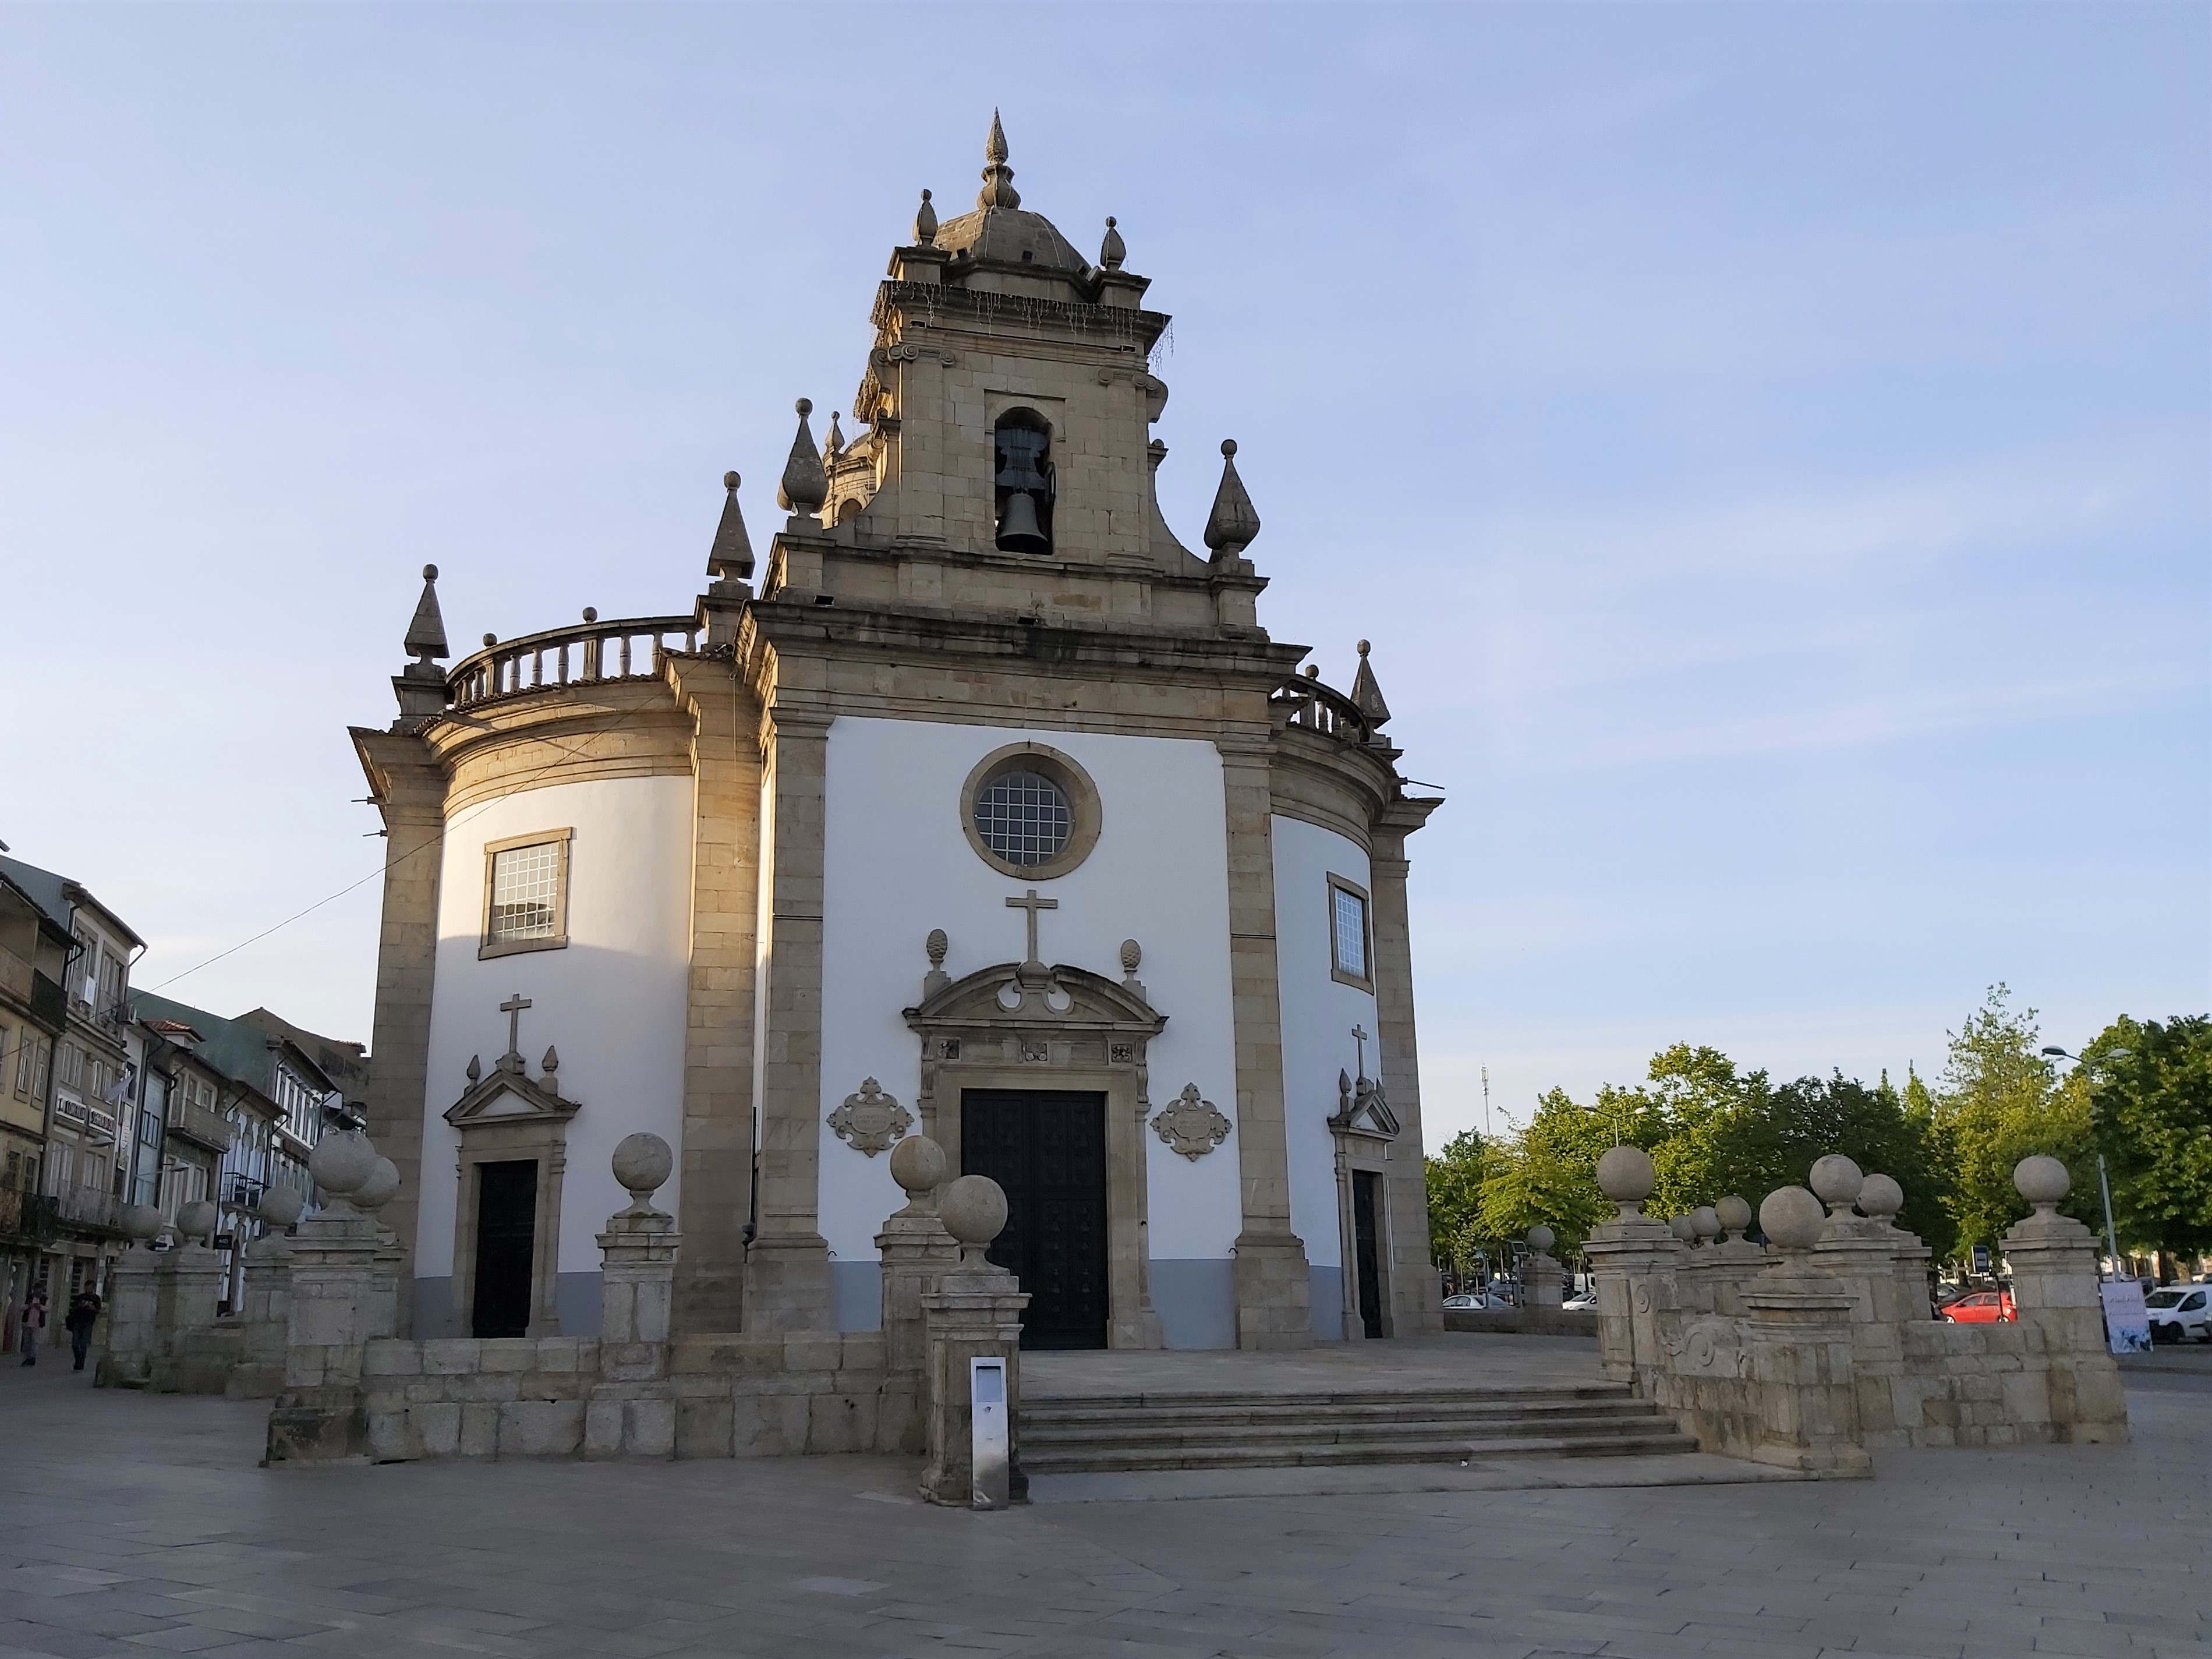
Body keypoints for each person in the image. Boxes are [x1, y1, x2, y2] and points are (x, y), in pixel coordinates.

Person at [63, 1289, 101, 1371]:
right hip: (77, 1322)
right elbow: (74, 1308)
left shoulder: (96, 1298)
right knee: (75, 1344)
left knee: (83, 1343)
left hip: (88, 1322)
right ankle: (79, 1359)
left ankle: (81, 1363)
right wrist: (81, 1306)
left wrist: (93, 1308)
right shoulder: (81, 1297)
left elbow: (98, 1310)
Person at [17, 1289, 47, 1366]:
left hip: (37, 1324)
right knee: (27, 1342)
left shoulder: (45, 1299)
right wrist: (29, 1306)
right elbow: (21, 1307)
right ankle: (27, 1357)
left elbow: (47, 1309)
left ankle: (32, 1358)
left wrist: (40, 1307)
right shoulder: (29, 1298)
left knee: (34, 1341)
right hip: (27, 1323)